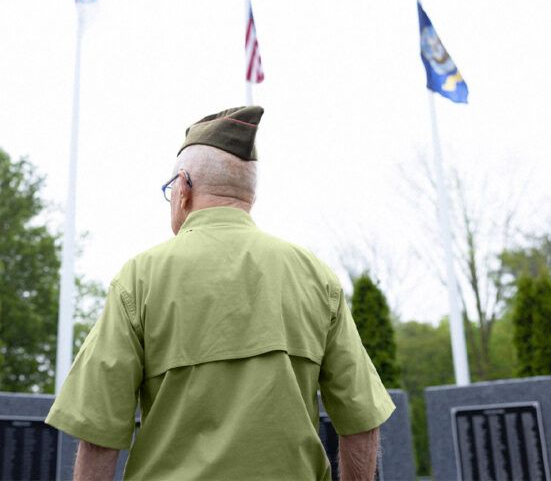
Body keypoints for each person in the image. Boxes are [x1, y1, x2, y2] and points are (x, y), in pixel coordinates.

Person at [46, 105, 396, 480]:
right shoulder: (316, 276)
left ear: (183, 188)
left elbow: (99, 433)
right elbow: (361, 420)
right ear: (249, 196)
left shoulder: (139, 278)